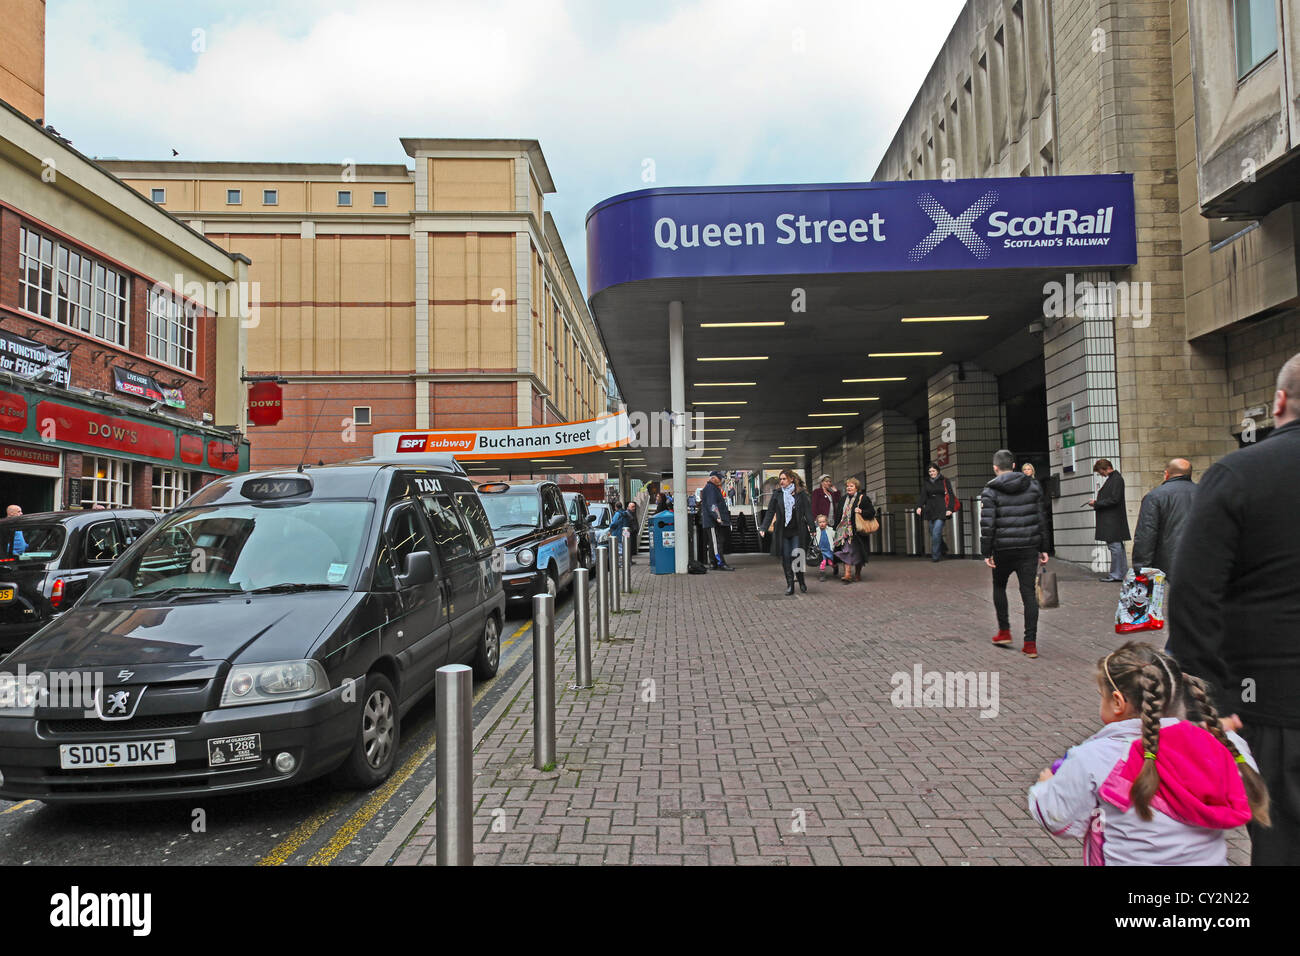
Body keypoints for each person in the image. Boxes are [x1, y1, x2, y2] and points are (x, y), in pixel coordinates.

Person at [1167, 352, 1300, 865]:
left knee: (1282, 840)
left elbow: (1194, 592)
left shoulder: (1238, 474)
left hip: (1273, 702)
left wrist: (1211, 698)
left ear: (1280, 402)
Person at [1027, 641, 1268, 865]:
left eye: (1102, 697)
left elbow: (1059, 820)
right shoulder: (1220, 746)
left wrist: (1045, 788)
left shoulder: (1092, 758)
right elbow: (1241, 778)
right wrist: (1212, 733)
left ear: (1118, 702)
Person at [980, 449, 1049, 658]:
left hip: (1002, 549)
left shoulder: (990, 491)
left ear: (995, 467)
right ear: (1013, 466)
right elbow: (1041, 518)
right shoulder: (1033, 486)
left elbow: (988, 525)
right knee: (1029, 593)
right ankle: (1030, 643)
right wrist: (1044, 547)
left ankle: (1004, 631)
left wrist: (987, 551)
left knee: (999, 586)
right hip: (1028, 547)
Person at [1130, 459, 1195, 576]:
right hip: (1200, 561)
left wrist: (1141, 568)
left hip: (1166, 563)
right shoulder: (1205, 493)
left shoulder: (1154, 496)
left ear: (1166, 474)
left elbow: (1146, 534)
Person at [759, 469, 814, 595]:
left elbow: (808, 512)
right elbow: (770, 512)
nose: (781, 481)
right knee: (786, 558)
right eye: (780, 479)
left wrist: (812, 527)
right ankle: (790, 585)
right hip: (782, 532)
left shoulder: (801, 494)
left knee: (797, 555)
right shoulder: (777, 494)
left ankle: (801, 580)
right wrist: (763, 527)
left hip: (797, 531)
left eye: (784, 479)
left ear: (791, 479)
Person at [1087, 458, 1130, 582]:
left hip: (1112, 520)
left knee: (1115, 547)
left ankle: (1117, 574)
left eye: (1099, 471)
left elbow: (1114, 499)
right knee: (1118, 547)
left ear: (1104, 468)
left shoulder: (1115, 479)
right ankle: (1120, 573)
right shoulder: (1115, 479)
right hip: (1113, 519)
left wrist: (1097, 503)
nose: (1100, 474)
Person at [833, 477, 874, 584]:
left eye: (851, 486)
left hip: (857, 532)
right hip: (844, 531)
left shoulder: (863, 498)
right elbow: (838, 515)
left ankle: (857, 573)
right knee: (847, 550)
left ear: (856, 488)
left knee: (857, 553)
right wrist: (835, 529)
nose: (848, 488)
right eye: (847, 486)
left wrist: (861, 511)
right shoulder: (843, 499)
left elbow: (871, 512)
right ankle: (847, 574)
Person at [915, 464, 957, 562]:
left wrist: (950, 508)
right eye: (930, 472)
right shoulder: (926, 482)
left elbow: (950, 495)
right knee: (932, 532)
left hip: (941, 508)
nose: (932, 473)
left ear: (937, 471)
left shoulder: (944, 481)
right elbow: (923, 496)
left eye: (933, 471)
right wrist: (919, 506)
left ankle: (935, 556)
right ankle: (943, 548)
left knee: (936, 532)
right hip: (930, 509)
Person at [699, 470, 735, 571]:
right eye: (719, 479)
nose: (721, 480)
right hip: (712, 521)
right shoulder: (711, 488)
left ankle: (714, 563)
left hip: (711, 521)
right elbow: (712, 504)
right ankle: (720, 563)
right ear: (714, 478)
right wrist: (717, 517)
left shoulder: (712, 488)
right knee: (716, 543)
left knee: (713, 542)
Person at [812, 514, 836, 580]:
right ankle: (822, 575)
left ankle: (835, 567)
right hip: (821, 551)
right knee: (823, 562)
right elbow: (812, 537)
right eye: (820, 522)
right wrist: (811, 533)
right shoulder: (816, 530)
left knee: (831, 562)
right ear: (817, 523)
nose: (822, 524)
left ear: (826, 522)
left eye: (823, 522)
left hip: (829, 550)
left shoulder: (830, 530)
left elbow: (835, 536)